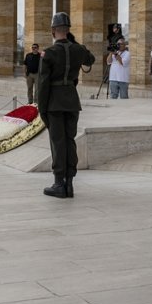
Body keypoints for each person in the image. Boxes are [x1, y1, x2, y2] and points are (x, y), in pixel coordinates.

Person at [37, 12, 95, 199]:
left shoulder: (49, 53)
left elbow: (43, 84)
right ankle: (69, 183)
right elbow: (90, 59)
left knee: (58, 142)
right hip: (71, 101)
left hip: (54, 103)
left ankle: (58, 183)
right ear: (68, 30)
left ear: (53, 31)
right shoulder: (78, 50)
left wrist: (41, 108)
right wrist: (76, 44)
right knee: (70, 140)